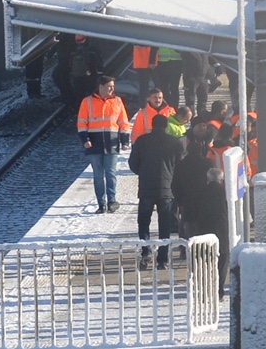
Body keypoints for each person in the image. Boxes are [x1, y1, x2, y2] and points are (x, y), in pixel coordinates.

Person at [129, 107, 186, 266]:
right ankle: (163, 259)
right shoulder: (174, 143)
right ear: (166, 125)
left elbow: (133, 164)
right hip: (166, 189)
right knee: (165, 225)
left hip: (146, 188)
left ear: (152, 125)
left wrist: (143, 172)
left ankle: (145, 254)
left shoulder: (142, 141)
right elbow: (179, 165)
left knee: (144, 222)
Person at [171, 121, 229, 267]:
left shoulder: (181, 165)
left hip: (187, 201)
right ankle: (201, 252)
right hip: (204, 201)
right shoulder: (208, 163)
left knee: (187, 226)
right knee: (202, 227)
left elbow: (175, 184)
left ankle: (186, 250)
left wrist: (179, 200)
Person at [76, 75, 132, 214]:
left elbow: (124, 122)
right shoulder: (87, 102)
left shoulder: (118, 102)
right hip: (93, 143)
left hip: (111, 142)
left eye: (113, 87)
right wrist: (85, 140)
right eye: (109, 87)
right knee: (98, 175)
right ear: (100, 87)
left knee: (111, 173)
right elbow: (82, 123)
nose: (112, 89)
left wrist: (125, 141)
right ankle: (101, 204)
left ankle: (112, 201)